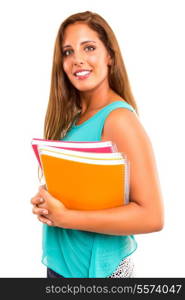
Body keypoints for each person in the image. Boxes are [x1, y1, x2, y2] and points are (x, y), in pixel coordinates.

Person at [30, 11, 164, 278]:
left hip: (97, 276)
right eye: (67, 52)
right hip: (62, 269)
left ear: (109, 55)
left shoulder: (119, 119)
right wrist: (49, 202)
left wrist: (65, 217)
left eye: (88, 47)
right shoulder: (76, 119)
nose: (77, 59)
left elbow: (152, 216)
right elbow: (88, 193)